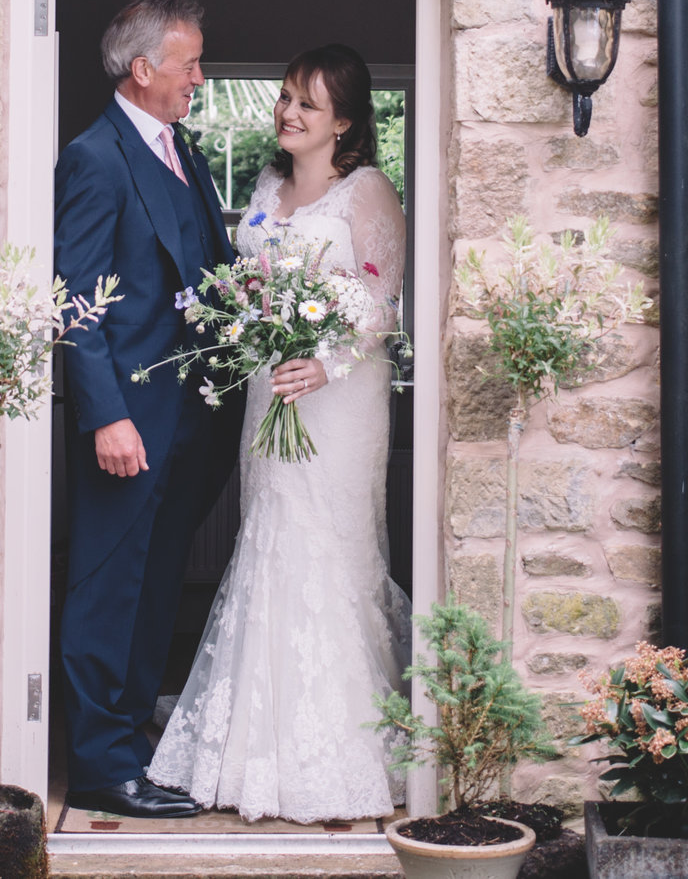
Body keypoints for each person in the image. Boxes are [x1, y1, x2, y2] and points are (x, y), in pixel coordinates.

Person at [147, 43, 410, 824]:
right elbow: (248, 284)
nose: (287, 111)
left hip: (336, 400)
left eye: (307, 103)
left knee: (329, 548)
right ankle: (253, 746)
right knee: (267, 538)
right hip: (269, 392)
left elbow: (382, 305)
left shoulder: (368, 192)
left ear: (347, 123)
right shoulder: (265, 186)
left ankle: (339, 751)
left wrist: (323, 364)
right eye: (286, 96)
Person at [54, 0, 240, 820]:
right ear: (142, 69)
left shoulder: (184, 150)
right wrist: (106, 415)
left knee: (156, 585)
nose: (199, 75)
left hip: (190, 420)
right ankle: (100, 764)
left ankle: (133, 743)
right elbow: (74, 300)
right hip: (128, 423)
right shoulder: (95, 158)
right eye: (189, 61)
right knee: (110, 587)